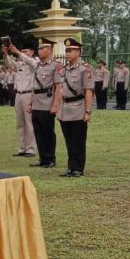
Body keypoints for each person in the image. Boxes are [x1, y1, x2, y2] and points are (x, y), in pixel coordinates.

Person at [9, 37, 58, 168]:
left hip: (46, 101)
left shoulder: (51, 64)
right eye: (39, 48)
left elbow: (58, 87)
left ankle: (49, 158)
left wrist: (55, 105)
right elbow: (34, 86)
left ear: (50, 50)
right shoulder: (38, 65)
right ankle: (43, 158)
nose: (40, 50)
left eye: (43, 48)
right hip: (33, 99)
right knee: (37, 130)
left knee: (46, 130)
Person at [53, 38, 93, 177]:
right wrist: (58, 109)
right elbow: (60, 91)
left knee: (78, 141)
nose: (67, 53)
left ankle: (78, 168)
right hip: (65, 108)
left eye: (70, 51)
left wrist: (88, 111)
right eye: (66, 51)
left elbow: (88, 91)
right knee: (69, 141)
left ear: (78, 52)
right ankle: (71, 167)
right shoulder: (63, 70)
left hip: (78, 108)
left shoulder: (85, 69)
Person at [5, 38, 38, 157]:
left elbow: (32, 63)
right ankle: (22, 148)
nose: (24, 53)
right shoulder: (20, 63)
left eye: (26, 51)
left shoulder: (35, 62)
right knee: (20, 123)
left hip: (29, 94)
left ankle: (30, 149)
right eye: (23, 51)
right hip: (18, 94)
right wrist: (5, 53)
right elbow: (10, 64)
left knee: (29, 123)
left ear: (32, 52)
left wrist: (19, 52)